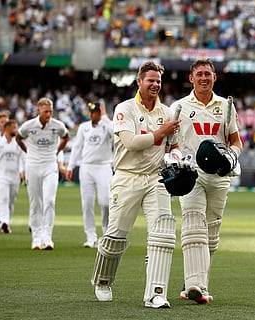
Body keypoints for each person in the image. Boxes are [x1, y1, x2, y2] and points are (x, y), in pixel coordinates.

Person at [91, 61, 181, 308]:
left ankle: (156, 293)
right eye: (150, 80)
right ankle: (103, 280)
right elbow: (130, 143)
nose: (155, 84)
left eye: (158, 81)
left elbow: (173, 146)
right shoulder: (125, 108)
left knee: (163, 234)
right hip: (126, 176)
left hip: (157, 178)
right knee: (116, 235)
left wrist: (175, 158)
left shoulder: (167, 113)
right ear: (139, 82)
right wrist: (161, 132)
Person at [170, 59, 243, 304]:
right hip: (192, 174)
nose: (203, 78)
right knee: (193, 227)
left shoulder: (226, 106)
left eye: (208, 74)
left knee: (211, 234)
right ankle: (195, 286)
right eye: (199, 74)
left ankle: (196, 282)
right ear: (191, 78)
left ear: (215, 77)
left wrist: (230, 157)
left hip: (220, 175)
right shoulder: (179, 106)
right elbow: (172, 142)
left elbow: (236, 141)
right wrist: (177, 158)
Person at [16, 97, 70, 250]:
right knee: (35, 203)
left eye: (50, 111)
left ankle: (47, 237)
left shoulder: (57, 125)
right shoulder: (29, 125)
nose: (48, 114)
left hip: (50, 166)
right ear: (38, 110)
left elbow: (66, 137)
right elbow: (18, 137)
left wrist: (58, 151)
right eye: (46, 111)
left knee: (49, 201)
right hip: (32, 166)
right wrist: (27, 151)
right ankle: (36, 238)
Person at [65, 101, 114, 248]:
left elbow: (115, 133)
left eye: (97, 112)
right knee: (87, 204)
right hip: (86, 167)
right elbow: (77, 147)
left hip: (104, 166)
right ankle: (91, 236)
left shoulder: (106, 125)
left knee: (105, 202)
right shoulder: (83, 127)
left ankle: (106, 233)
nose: (94, 115)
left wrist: (105, 117)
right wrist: (71, 166)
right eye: (92, 112)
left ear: (100, 113)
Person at [0, 119, 25, 234]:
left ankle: (8, 221)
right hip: (2, 176)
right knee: (3, 199)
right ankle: (4, 222)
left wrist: (23, 171)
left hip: (15, 177)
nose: (16, 130)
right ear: (7, 128)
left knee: (11, 201)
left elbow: (23, 159)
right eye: (14, 128)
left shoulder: (18, 143)